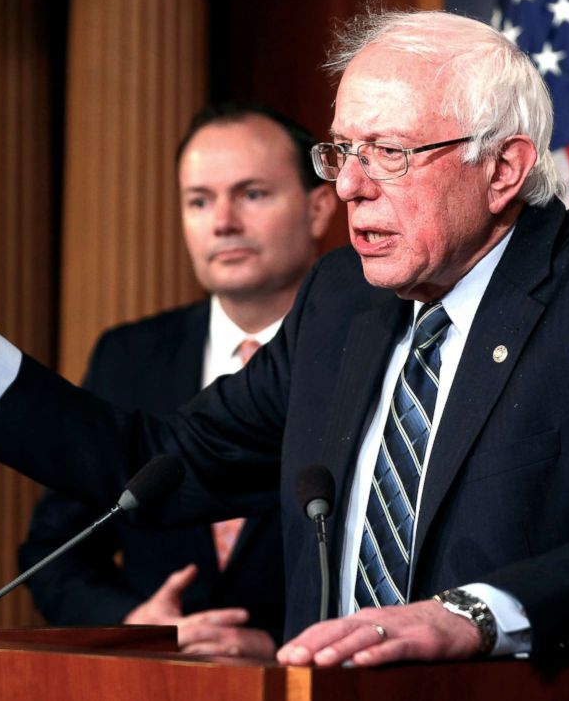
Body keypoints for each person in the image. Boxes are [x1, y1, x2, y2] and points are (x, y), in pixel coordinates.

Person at [0, 9, 569, 696]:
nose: (350, 187)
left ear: (503, 169)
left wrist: (469, 617)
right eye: (341, 151)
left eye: (389, 152)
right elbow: (161, 464)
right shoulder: (342, 301)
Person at [18, 103, 336, 658]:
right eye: (199, 201)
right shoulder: (128, 356)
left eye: (252, 194)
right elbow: (57, 551)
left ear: (319, 208)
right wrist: (136, 622)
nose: (223, 222)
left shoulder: (369, 354)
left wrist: (279, 645)